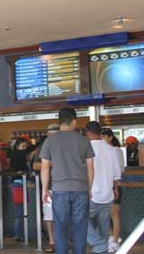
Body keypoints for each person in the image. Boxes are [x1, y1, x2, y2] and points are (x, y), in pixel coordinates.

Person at [40, 108, 94, 254]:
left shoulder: (49, 140)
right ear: (74, 121)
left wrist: (45, 189)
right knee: (80, 227)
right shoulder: (84, 140)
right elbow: (90, 168)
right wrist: (89, 188)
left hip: (59, 189)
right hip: (81, 189)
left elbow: (44, 168)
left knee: (60, 227)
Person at [85, 122, 122, 254]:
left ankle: (99, 244)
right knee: (103, 225)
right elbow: (117, 175)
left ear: (88, 132)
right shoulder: (111, 149)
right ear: (99, 132)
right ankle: (103, 249)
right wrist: (115, 189)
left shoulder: (86, 148)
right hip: (108, 194)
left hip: (91, 193)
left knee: (79, 219)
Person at [33, 123, 59, 253]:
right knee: (49, 215)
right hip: (50, 186)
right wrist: (52, 163)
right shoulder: (44, 146)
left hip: (63, 185)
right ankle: (52, 241)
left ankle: (62, 240)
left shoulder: (65, 145)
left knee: (63, 214)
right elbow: (36, 165)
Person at [101, 128, 125, 252]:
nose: (103, 139)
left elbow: (119, 170)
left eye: (105, 136)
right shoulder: (103, 151)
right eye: (101, 136)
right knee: (104, 215)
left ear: (110, 137)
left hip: (115, 186)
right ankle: (113, 237)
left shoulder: (116, 150)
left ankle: (115, 241)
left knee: (114, 214)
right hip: (104, 186)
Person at [10, 137, 34, 242]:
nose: (24, 149)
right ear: (17, 146)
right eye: (22, 146)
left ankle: (19, 234)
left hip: (18, 184)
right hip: (19, 184)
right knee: (21, 211)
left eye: (25, 146)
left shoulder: (17, 155)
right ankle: (20, 234)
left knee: (20, 211)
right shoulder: (18, 154)